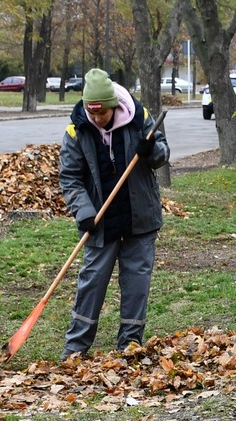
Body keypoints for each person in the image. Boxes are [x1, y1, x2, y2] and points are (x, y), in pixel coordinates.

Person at [59, 67, 169, 362]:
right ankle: (76, 347)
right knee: (92, 282)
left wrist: (149, 150)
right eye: (92, 113)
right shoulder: (77, 130)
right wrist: (84, 212)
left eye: (102, 114)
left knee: (136, 283)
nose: (96, 119)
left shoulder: (137, 118)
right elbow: (70, 177)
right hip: (100, 222)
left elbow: (162, 154)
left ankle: (130, 343)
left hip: (139, 217)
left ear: (113, 106)